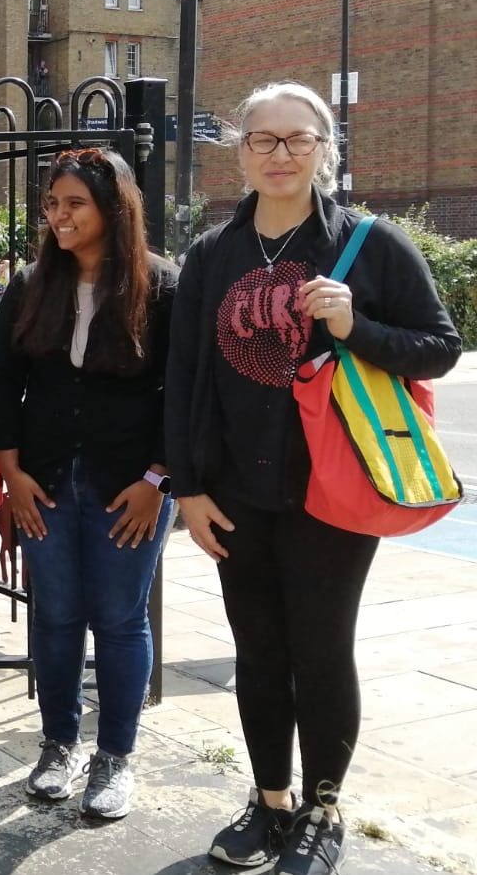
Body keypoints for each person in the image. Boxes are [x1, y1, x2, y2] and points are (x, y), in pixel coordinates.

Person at [165, 82, 462, 874]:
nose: (281, 154)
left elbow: (439, 347)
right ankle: (268, 803)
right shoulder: (212, 255)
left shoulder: (368, 244)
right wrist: (188, 489)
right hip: (233, 491)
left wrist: (352, 325)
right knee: (258, 651)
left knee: (322, 650)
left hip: (332, 488)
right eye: (264, 140)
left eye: (299, 139)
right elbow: (186, 375)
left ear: (326, 149)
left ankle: (323, 809)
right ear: (241, 152)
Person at [0, 148, 177, 819]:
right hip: (43, 481)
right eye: (53, 204)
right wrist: (10, 472)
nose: (58, 216)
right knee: (58, 615)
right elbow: (4, 385)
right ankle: (59, 744)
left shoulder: (162, 286)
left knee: (121, 621)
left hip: (130, 484)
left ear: (112, 210)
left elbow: (181, 397)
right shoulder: (33, 284)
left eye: (75, 204)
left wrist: (159, 477)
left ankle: (114, 757)